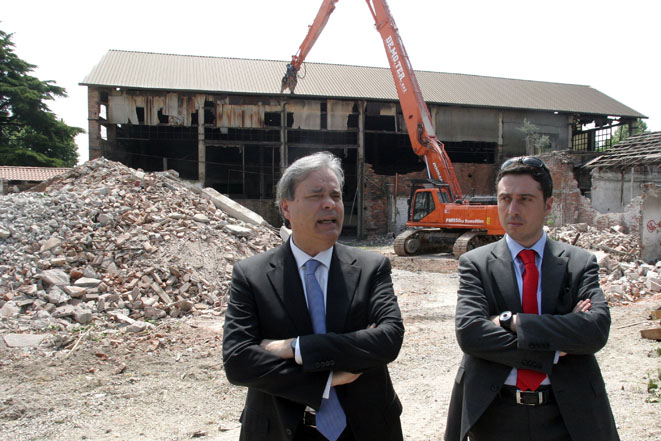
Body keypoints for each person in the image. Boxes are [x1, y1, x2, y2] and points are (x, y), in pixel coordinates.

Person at [223, 151, 405, 441]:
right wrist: (326, 379)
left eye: (335, 195)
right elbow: (239, 361)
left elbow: (388, 340)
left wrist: (296, 348)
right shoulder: (252, 275)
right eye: (316, 195)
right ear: (286, 208)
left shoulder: (371, 268)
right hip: (280, 430)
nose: (329, 204)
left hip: (366, 429)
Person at [444, 156, 619, 441]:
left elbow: (595, 331)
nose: (512, 209)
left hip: (568, 414)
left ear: (548, 205)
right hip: (494, 413)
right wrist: (556, 346)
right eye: (505, 199)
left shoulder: (578, 263)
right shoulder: (475, 263)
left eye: (525, 199)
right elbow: (471, 334)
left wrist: (512, 322)